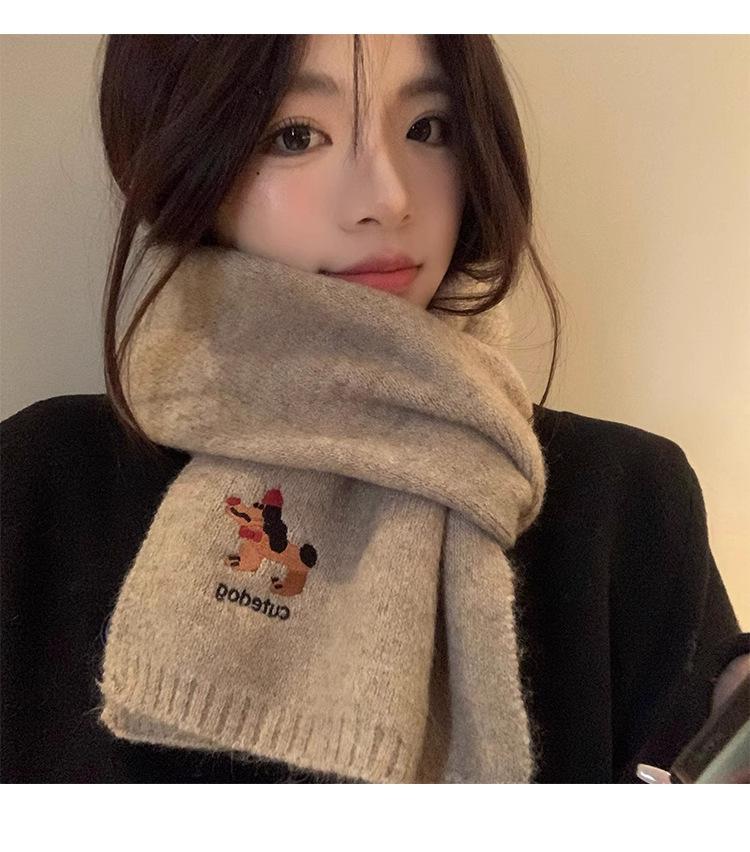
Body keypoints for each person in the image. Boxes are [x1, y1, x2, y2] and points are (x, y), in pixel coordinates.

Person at [1, 34, 747, 783]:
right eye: (295, 136)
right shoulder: (41, 485)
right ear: (175, 155)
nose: (388, 198)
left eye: (429, 127)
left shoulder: (629, 500)